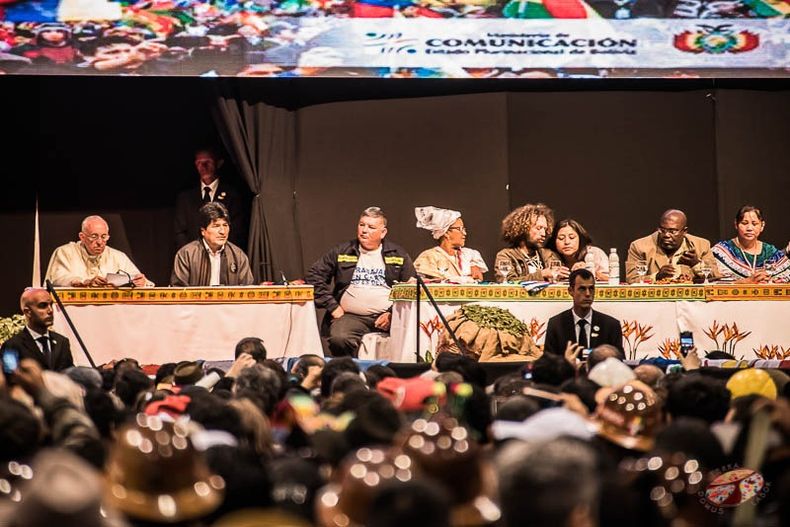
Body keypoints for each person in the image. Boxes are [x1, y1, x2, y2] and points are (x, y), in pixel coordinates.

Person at [304, 206, 415, 357]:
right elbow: (314, 275)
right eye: (361, 225)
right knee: (339, 338)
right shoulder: (343, 251)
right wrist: (333, 307)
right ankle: (349, 373)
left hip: (390, 316)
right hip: (352, 316)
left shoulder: (398, 254)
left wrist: (391, 313)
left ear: (383, 232)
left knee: (413, 337)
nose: (364, 230)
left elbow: (412, 287)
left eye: (371, 227)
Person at [45, 215, 153, 288]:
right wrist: (85, 282)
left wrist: (141, 282)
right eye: (94, 236)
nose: (100, 242)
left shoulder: (118, 256)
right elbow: (57, 279)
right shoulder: (65, 252)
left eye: (104, 237)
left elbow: (140, 279)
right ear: (82, 237)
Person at [174, 146, 248, 251]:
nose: (203, 166)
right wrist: (192, 254)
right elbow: (180, 233)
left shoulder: (232, 196)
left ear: (218, 163)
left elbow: (237, 231)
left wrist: (219, 252)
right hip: (194, 259)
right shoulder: (185, 199)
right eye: (199, 163)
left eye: (208, 162)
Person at [170, 202, 254, 286]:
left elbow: (248, 290)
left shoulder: (238, 256)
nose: (222, 231)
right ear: (203, 231)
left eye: (225, 225)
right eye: (216, 226)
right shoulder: (186, 255)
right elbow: (179, 291)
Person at [625, 209, 719, 284]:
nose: (666, 235)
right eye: (662, 230)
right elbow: (632, 280)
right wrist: (656, 277)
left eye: (672, 231)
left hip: (690, 301)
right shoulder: (639, 246)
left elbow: (716, 277)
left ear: (684, 231)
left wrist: (696, 264)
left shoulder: (702, 245)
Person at [543, 268, 623, 355]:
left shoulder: (610, 326)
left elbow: (619, 363)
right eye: (582, 289)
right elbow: (548, 364)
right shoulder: (556, 325)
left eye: (591, 288)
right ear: (571, 291)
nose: (588, 294)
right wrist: (566, 364)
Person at [712, 205, 790, 283]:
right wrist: (745, 282)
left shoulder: (770, 251)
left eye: (754, 224)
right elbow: (713, 283)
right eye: (744, 223)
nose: (749, 228)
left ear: (762, 226)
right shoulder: (722, 251)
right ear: (736, 224)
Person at [1, 288, 74, 371]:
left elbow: (71, 375)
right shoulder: (12, 346)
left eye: (51, 305)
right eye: (43, 306)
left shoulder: (62, 342)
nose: (50, 310)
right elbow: (9, 378)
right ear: (28, 312)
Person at [413, 206, 487, 282]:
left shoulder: (469, 255)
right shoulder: (429, 257)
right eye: (460, 229)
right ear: (446, 233)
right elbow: (423, 283)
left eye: (464, 229)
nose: (464, 233)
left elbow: (477, 280)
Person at [494, 203, 563, 282]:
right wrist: (541, 274)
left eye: (545, 229)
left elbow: (558, 279)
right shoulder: (506, 255)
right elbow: (508, 282)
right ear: (523, 228)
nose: (543, 234)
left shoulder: (548, 255)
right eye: (539, 228)